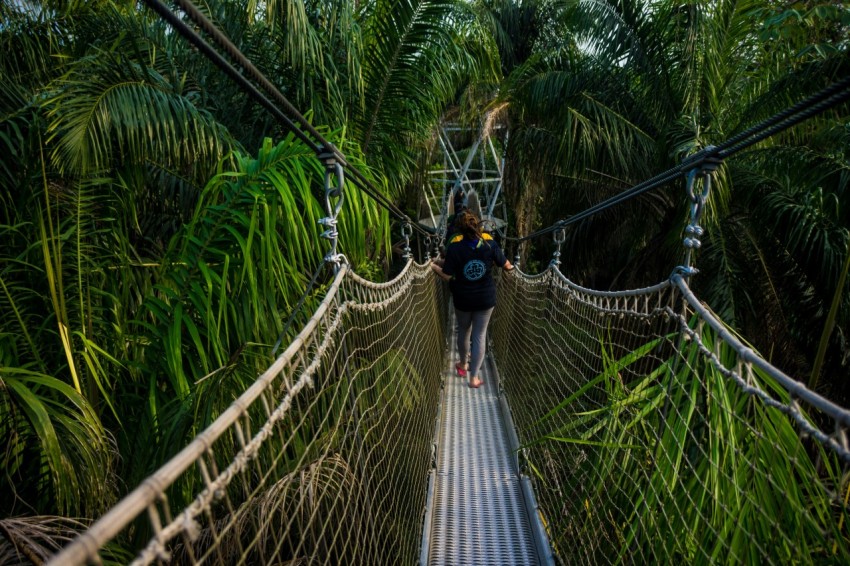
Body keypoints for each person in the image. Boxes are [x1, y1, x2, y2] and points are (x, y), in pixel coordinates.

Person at [431, 210, 514, 388]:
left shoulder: (454, 247)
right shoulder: (489, 243)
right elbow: (507, 266)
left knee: (464, 330)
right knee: (479, 335)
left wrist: (432, 266)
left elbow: (447, 275)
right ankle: (474, 378)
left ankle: (462, 364)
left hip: (463, 298)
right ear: (479, 226)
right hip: (485, 298)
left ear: (459, 229)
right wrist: (512, 266)